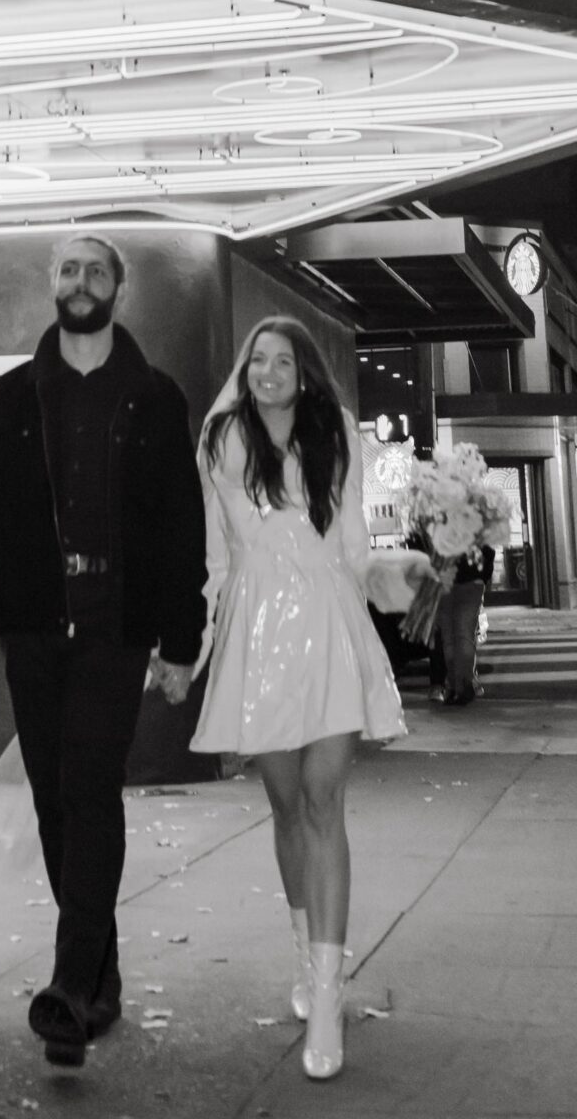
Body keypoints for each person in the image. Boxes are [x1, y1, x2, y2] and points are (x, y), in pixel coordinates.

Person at [0, 235, 206, 1070]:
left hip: (115, 631)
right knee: (54, 801)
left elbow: (179, 526)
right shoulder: (14, 396)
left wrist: (180, 639)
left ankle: (70, 988)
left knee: (89, 790)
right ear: (53, 287)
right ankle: (101, 982)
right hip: (34, 628)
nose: (79, 282)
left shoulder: (155, 399)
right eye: (67, 269)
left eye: (95, 270)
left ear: (119, 289)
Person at [191, 319, 426, 1084]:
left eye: (281, 361)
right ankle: (306, 956)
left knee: (325, 801)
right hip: (257, 633)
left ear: (304, 371)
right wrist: (198, 639)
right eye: (255, 360)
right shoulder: (220, 441)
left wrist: (393, 578)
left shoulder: (337, 435)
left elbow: (353, 541)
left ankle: (327, 994)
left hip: (327, 624)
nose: (266, 372)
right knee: (287, 807)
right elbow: (216, 555)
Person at [438, 539, 494, 704]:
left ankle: (455, 686)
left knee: (449, 637)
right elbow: (488, 550)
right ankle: (463, 685)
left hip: (446, 582)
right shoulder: (475, 524)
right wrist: (483, 577)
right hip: (470, 582)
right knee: (464, 635)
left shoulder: (438, 522)